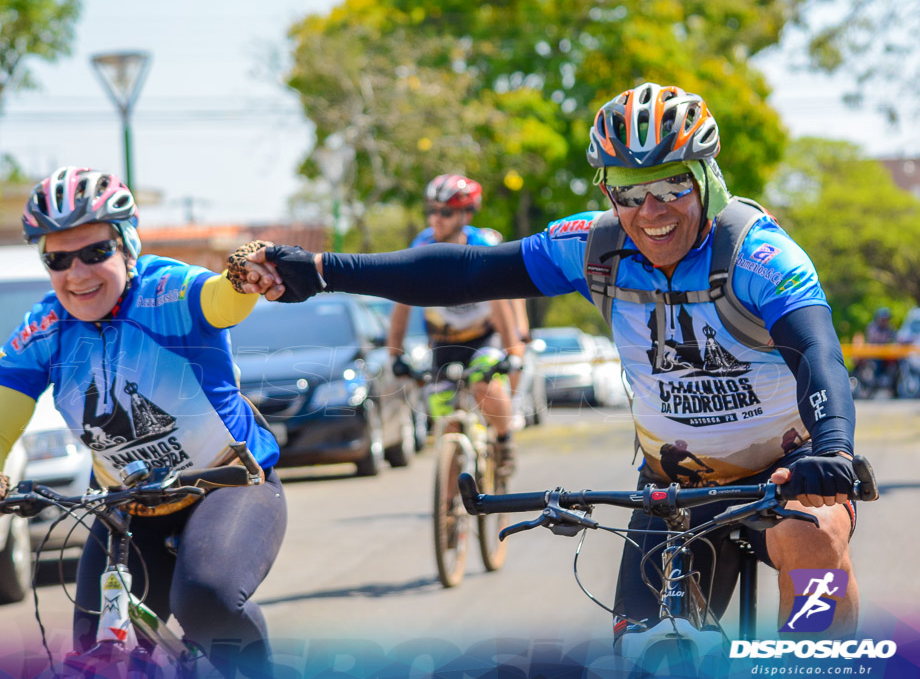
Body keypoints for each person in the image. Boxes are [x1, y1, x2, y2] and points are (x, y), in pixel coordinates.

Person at [234, 82, 861, 640]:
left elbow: (817, 353)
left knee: (812, 541)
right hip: (676, 480)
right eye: (628, 191)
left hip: (789, 474)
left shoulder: (759, 254)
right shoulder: (597, 248)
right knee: (642, 650)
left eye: (672, 183)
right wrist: (320, 272)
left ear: (706, 176)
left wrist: (831, 448)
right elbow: (469, 270)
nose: (651, 210)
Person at [0, 166, 286, 677]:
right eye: (57, 260)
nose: (77, 273)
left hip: (229, 482)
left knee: (206, 600)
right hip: (128, 508)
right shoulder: (44, 328)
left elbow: (221, 302)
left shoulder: (168, 290)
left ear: (127, 245)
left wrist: (244, 277)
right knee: (95, 651)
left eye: (94, 252)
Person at [388, 174, 522, 474]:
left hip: (483, 337)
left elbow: (502, 304)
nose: (436, 218)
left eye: (445, 212)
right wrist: (395, 355)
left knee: (484, 384)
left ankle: (504, 441)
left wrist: (514, 352)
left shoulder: (483, 246)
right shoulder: (420, 247)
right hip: (443, 343)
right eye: (432, 210)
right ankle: (451, 508)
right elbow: (401, 303)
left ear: (466, 214)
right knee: (444, 421)